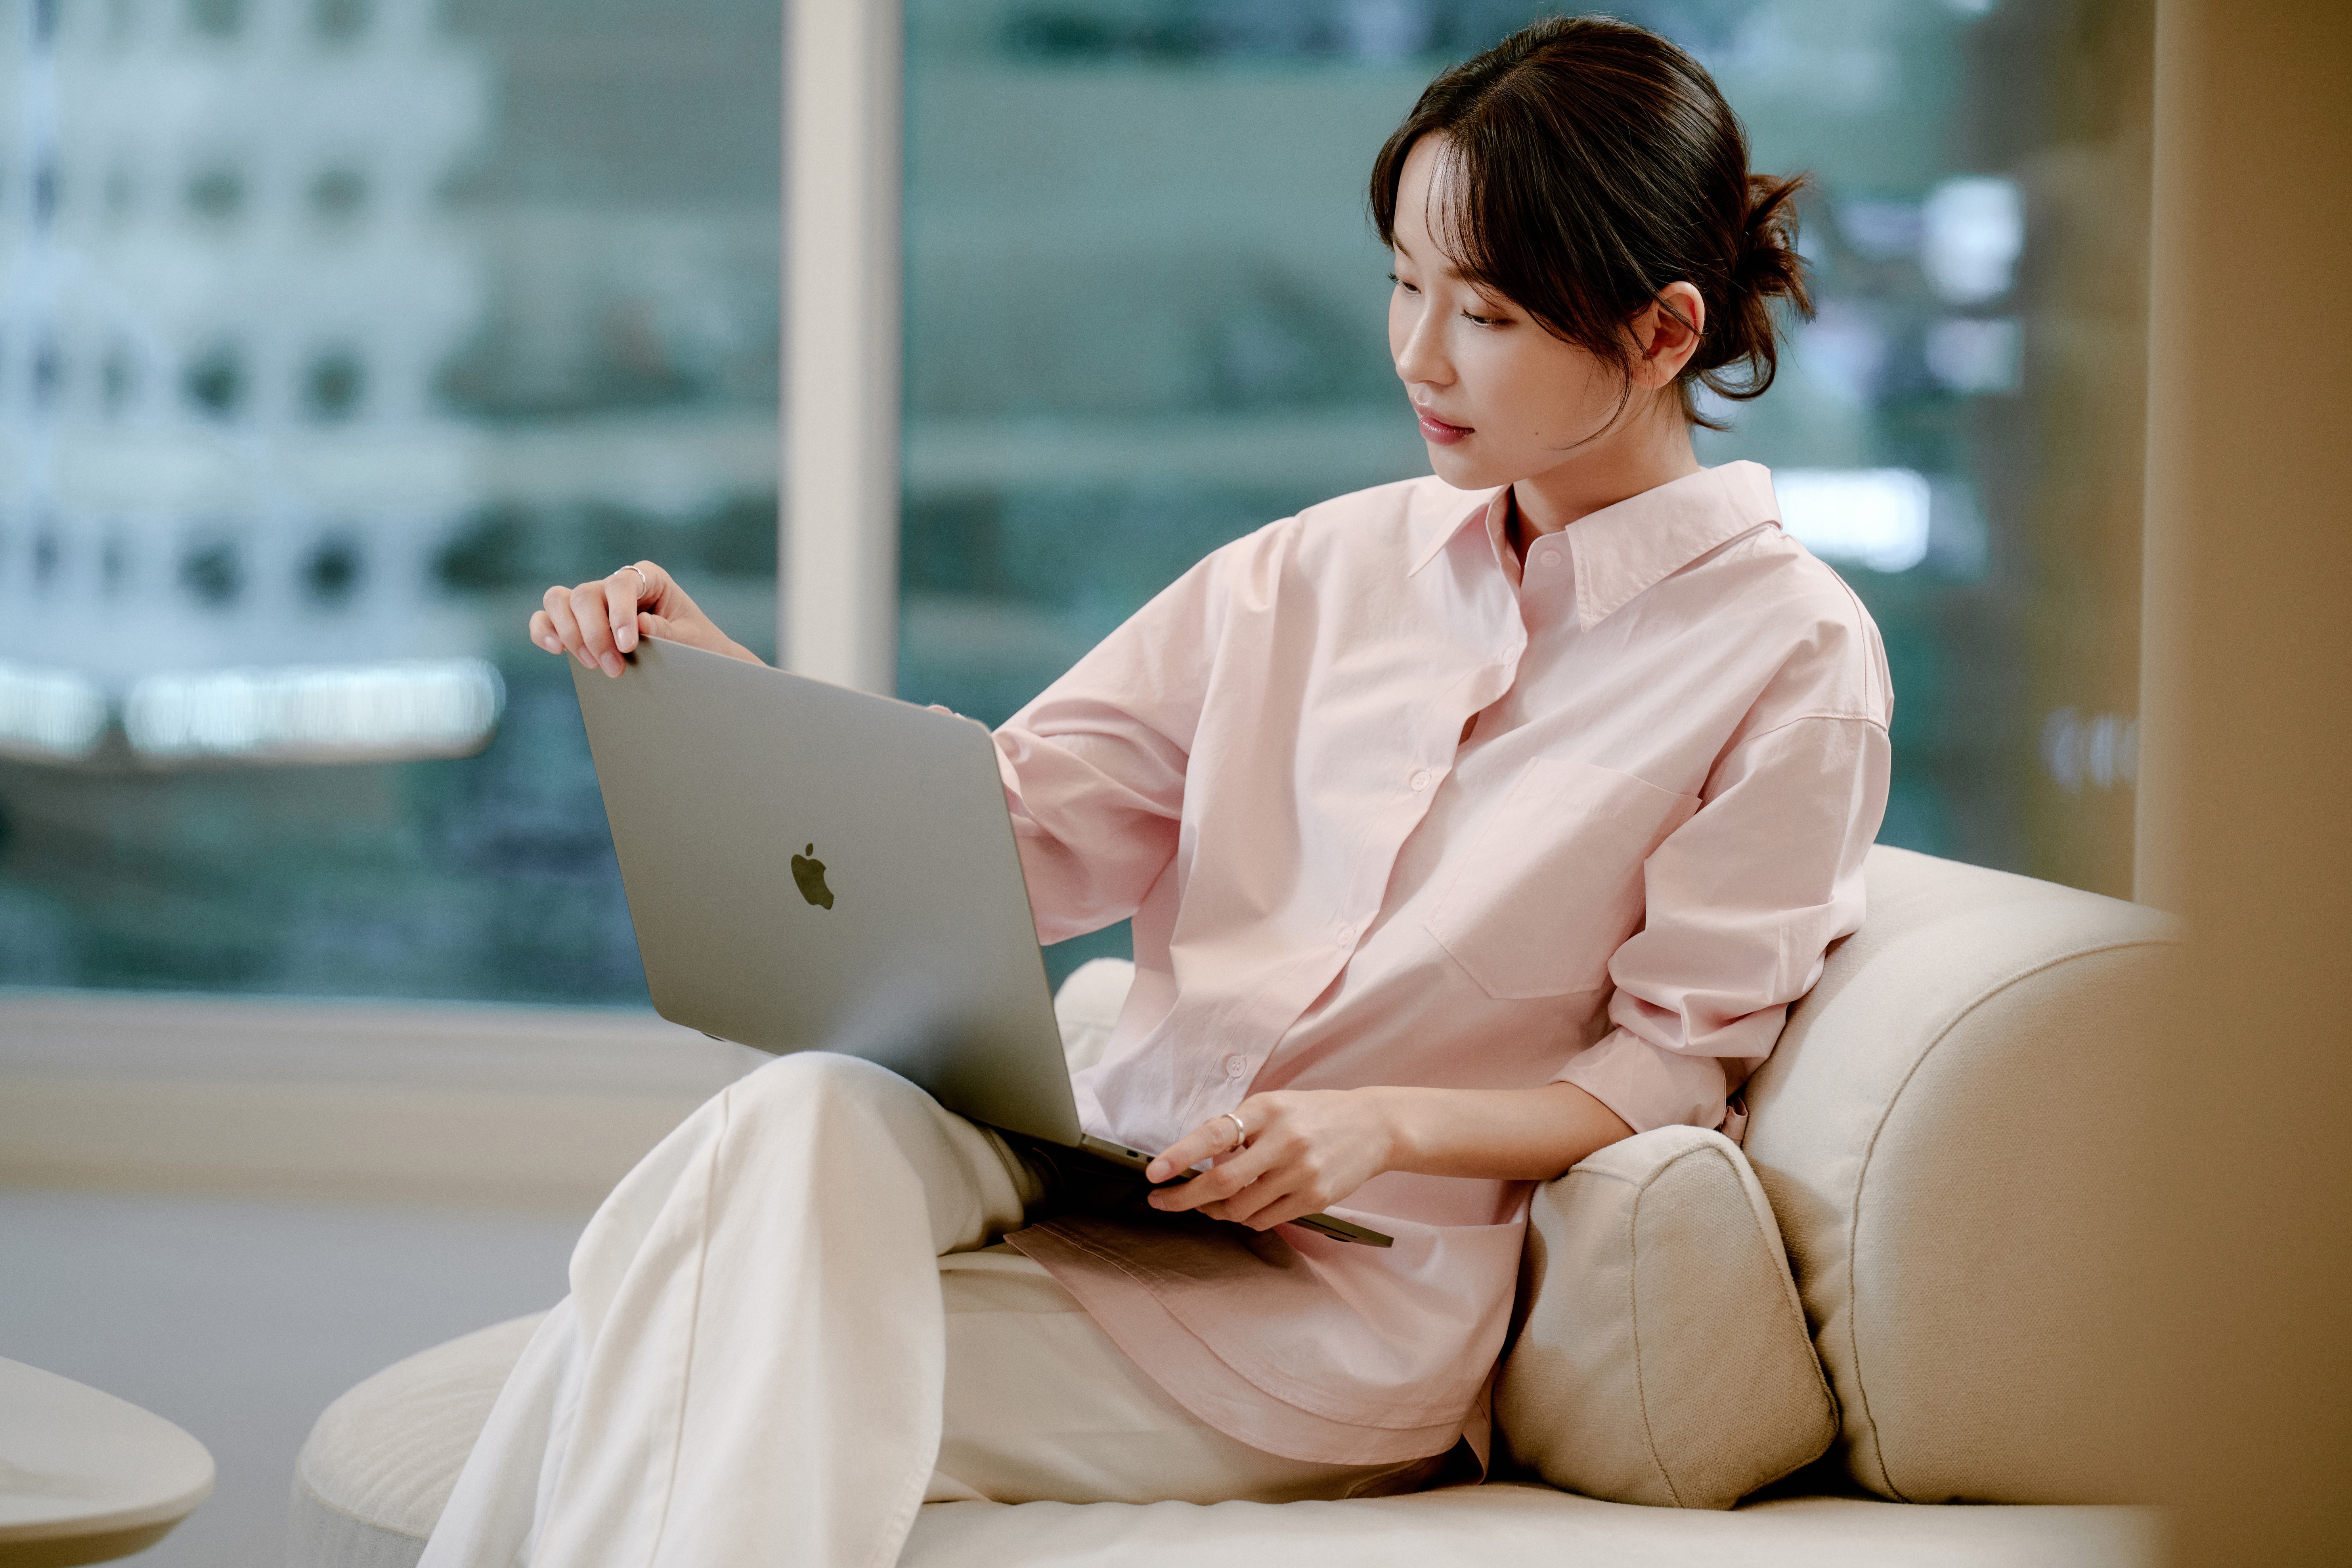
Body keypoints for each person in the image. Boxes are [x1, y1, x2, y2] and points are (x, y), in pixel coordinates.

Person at [424, 16, 1889, 1567]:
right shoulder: (1312, 570)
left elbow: (1674, 1064)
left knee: (677, 1340)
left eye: (1488, 313)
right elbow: (1011, 829)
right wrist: (714, 682)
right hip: (1095, 1168)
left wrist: (1377, 1125)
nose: (1414, 354)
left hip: (1327, 1303)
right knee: (793, 1113)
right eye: (1402, 282)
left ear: (1661, 333)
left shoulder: (1788, 654)